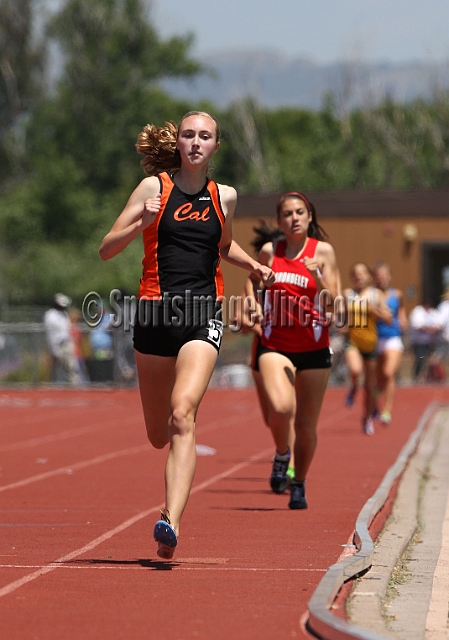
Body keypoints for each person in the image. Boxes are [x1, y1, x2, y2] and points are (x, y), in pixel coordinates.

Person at [99, 111, 274, 559]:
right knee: (159, 433)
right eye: (189, 134)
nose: (196, 142)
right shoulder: (153, 189)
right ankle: (170, 507)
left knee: (183, 415)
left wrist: (251, 264)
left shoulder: (225, 197)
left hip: (202, 314)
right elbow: (106, 248)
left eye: (205, 136)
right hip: (155, 315)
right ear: (177, 142)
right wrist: (142, 222)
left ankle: (170, 520)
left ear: (216, 146)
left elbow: (221, 244)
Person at [242, 191, 339, 510]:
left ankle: (299, 484)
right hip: (275, 343)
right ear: (280, 220)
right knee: (281, 409)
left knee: (306, 424)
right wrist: (253, 306)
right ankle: (283, 453)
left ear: (310, 217)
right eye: (287, 214)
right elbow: (251, 281)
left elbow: (334, 305)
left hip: (314, 347)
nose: (294, 218)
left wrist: (317, 276)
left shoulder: (323, 251)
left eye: (300, 212)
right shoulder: (272, 251)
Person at [343, 263, 392, 435]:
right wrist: (342, 325)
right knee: (355, 370)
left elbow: (388, 319)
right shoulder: (348, 295)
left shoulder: (375, 294)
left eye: (362, 273)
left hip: (371, 344)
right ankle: (354, 385)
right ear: (351, 277)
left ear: (369, 277)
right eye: (355, 274)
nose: (359, 277)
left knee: (370, 387)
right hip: (353, 342)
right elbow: (340, 316)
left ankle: (366, 418)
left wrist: (375, 310)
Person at [373, 263, 408, 425]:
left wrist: (403, 320)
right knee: (378, 379)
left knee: (388, 373)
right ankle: (375, 403)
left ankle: (386, 410)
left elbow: (401, 312)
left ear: (390, 277)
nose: (382, 279)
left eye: (384, 275)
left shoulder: (397, 295)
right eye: (379, 276)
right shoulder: (370, 295)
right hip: (374, 339)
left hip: (392, 338)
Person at [43, 293, 81, 385]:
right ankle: (54, 388)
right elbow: (51, 334)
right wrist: (54, 349)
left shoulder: (64, 314)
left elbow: (67, 330)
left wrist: (71, 344)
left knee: (72, 367)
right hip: (57, 345)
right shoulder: (50, 315)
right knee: (56, 369)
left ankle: (74, 386)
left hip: (66, 344)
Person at [408, 299, 442, 382]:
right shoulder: (417, 312)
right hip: (419, 342)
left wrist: (433, 329)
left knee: (433, 360)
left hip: (430, 341)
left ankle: (431, 377)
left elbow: (439, 324)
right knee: (420, 359)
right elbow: (417, 325)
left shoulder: (433, 312)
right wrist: (428, 329)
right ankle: (416, 376)